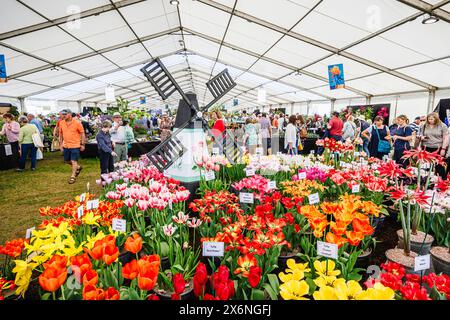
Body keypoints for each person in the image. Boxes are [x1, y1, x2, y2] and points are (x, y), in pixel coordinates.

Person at [418, 112, 449, 178]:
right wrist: (421, 137)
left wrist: (443, 149)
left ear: (436, 119)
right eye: (429, 119)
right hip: (426, 147)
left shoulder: (442, 126)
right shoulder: (424, 125)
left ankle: (439, 179)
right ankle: (425, 179)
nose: (430, 121)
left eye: (432, 119)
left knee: (438, 165)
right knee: (426, 165)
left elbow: (445, 138)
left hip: (437, 148)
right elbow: (420, 134)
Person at [59, 109, 85, 184]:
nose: (63, 116)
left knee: (74, 161)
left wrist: (82, 144)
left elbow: (82, 133)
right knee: (67, 160)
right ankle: (78, 167)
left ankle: (73, 176)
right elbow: (61, 134)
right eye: (62, 114)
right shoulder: (61, 123)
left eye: (65, 114)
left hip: (75, 145)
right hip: (66, 145)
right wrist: (60, 144)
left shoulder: (77, 123)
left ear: (70, 114)